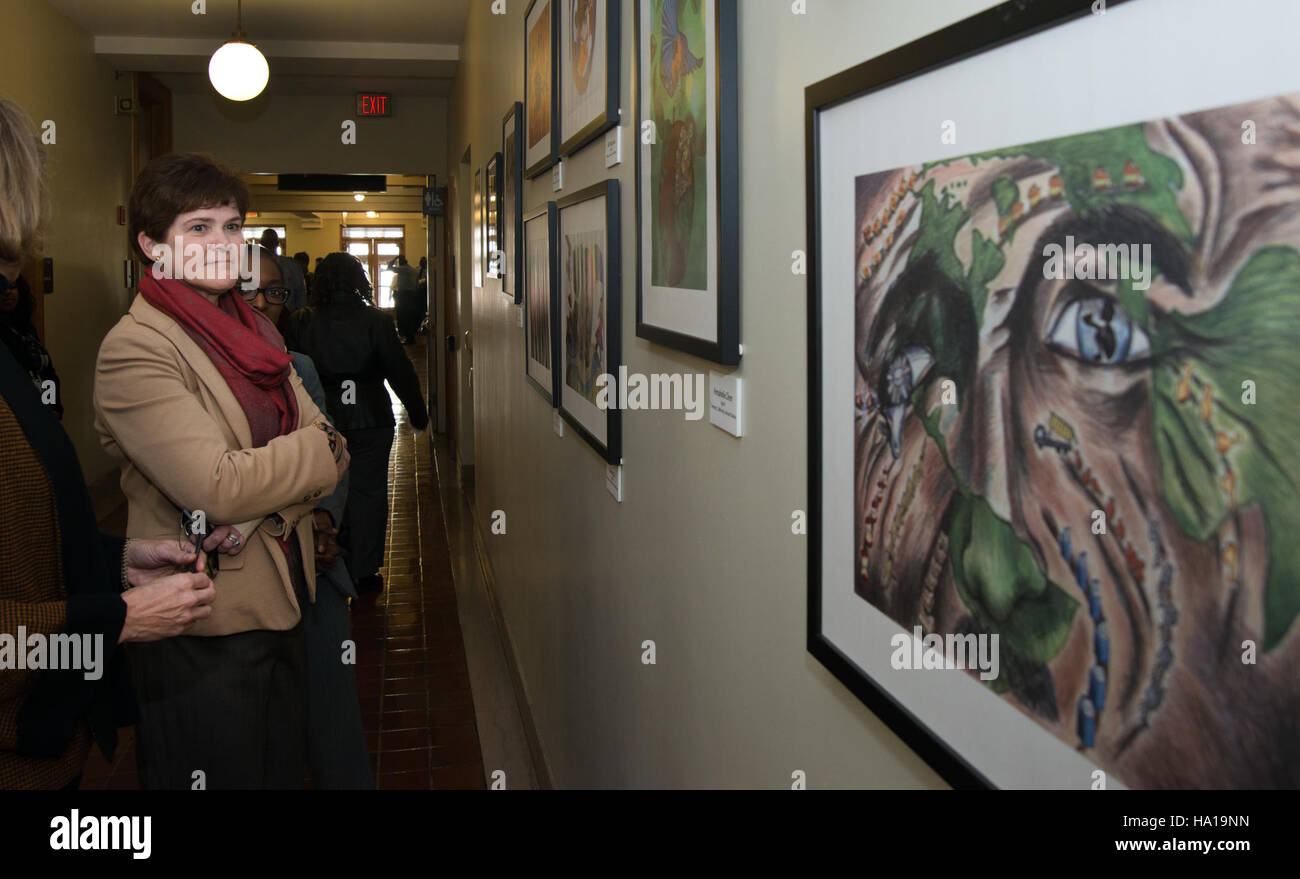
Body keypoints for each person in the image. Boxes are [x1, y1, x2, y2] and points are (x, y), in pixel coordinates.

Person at [93, 152, 350, 789]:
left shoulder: (257, 327)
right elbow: (215, 484)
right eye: (198, 228)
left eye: (232, 226)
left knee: (283, 771)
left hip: (286, 597)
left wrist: (272, 495)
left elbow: (333, 446)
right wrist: (311, 458)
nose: (221, 244)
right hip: (202, 619)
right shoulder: (136, 347)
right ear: (154, 246)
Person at [0, 99, 224, 790]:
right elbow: (222, 480)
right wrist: (116, 617)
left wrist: (117, 557)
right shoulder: (135, 345)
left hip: (46, 744)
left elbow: (29, 535)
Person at [246, 245, 371, 788]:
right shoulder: (188, 380)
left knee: (332, 718)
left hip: (309, 568)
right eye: (244, 288)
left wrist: (321, 521)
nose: (257, 302)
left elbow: (329, 455)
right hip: (237, 582)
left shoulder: (298, 371)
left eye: (272, 292)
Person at [286, 252, 428, 595]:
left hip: (318, 418)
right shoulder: (376, 321)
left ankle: (326, 560)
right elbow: (399, 369)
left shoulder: (301, 321)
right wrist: (418, 412)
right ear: (358, 281)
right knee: (369, 493)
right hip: (370, 417)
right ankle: (364, 571)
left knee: (322, 492)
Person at [0, 266, 61, 420]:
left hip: (43, 414)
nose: (8, 292)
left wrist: (52, 407)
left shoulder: (27, 329)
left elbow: (47, 373)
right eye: (2, 288)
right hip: (17, 418)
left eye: (13, 287)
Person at [389, 255, 422, 344]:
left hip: (404, 295)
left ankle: (408, 338)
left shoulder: (402, 269)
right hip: (413, 295)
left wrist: (395, 258)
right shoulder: (413, 270)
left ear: (400, 262)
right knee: (409, 317)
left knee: (403, 316)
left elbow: (389, 267)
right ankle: (410, 337)